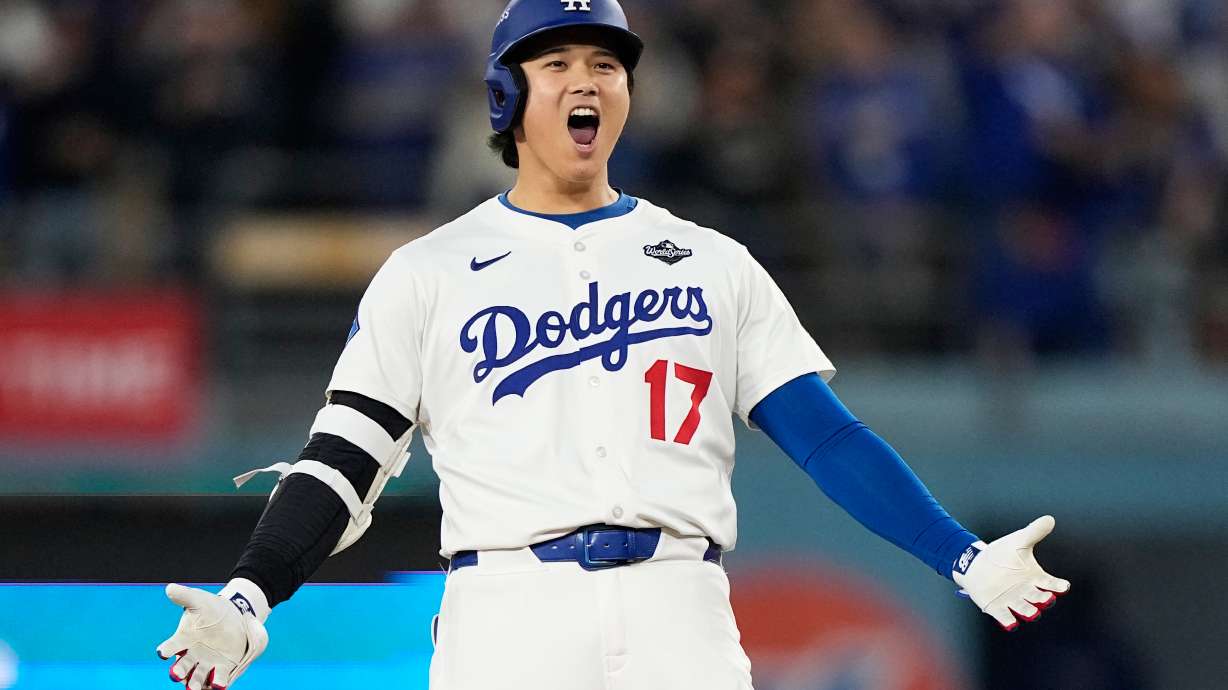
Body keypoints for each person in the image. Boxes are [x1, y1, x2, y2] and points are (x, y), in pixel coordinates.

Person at [155, 1, 1070, 688]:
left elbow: (827, 438)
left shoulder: (715, 263)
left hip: (681, 606)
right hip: (508, 613)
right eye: (555, 62)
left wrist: (964, 557)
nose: (586, 80)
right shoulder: (427, 272)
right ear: (507, 96)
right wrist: (250, 595)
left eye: (606, 63)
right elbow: (341, 462)